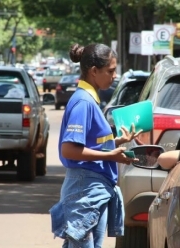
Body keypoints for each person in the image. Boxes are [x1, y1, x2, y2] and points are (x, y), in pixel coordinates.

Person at [49, 43, 141, 248]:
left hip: (93, 188)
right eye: (110, 71)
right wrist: (111, 156)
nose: (115, 75)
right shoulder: (84, 102)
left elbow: (89, 143)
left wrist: (116, 142)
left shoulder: (90, 98)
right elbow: (69, 150)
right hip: (85, 188)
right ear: (93, 71)